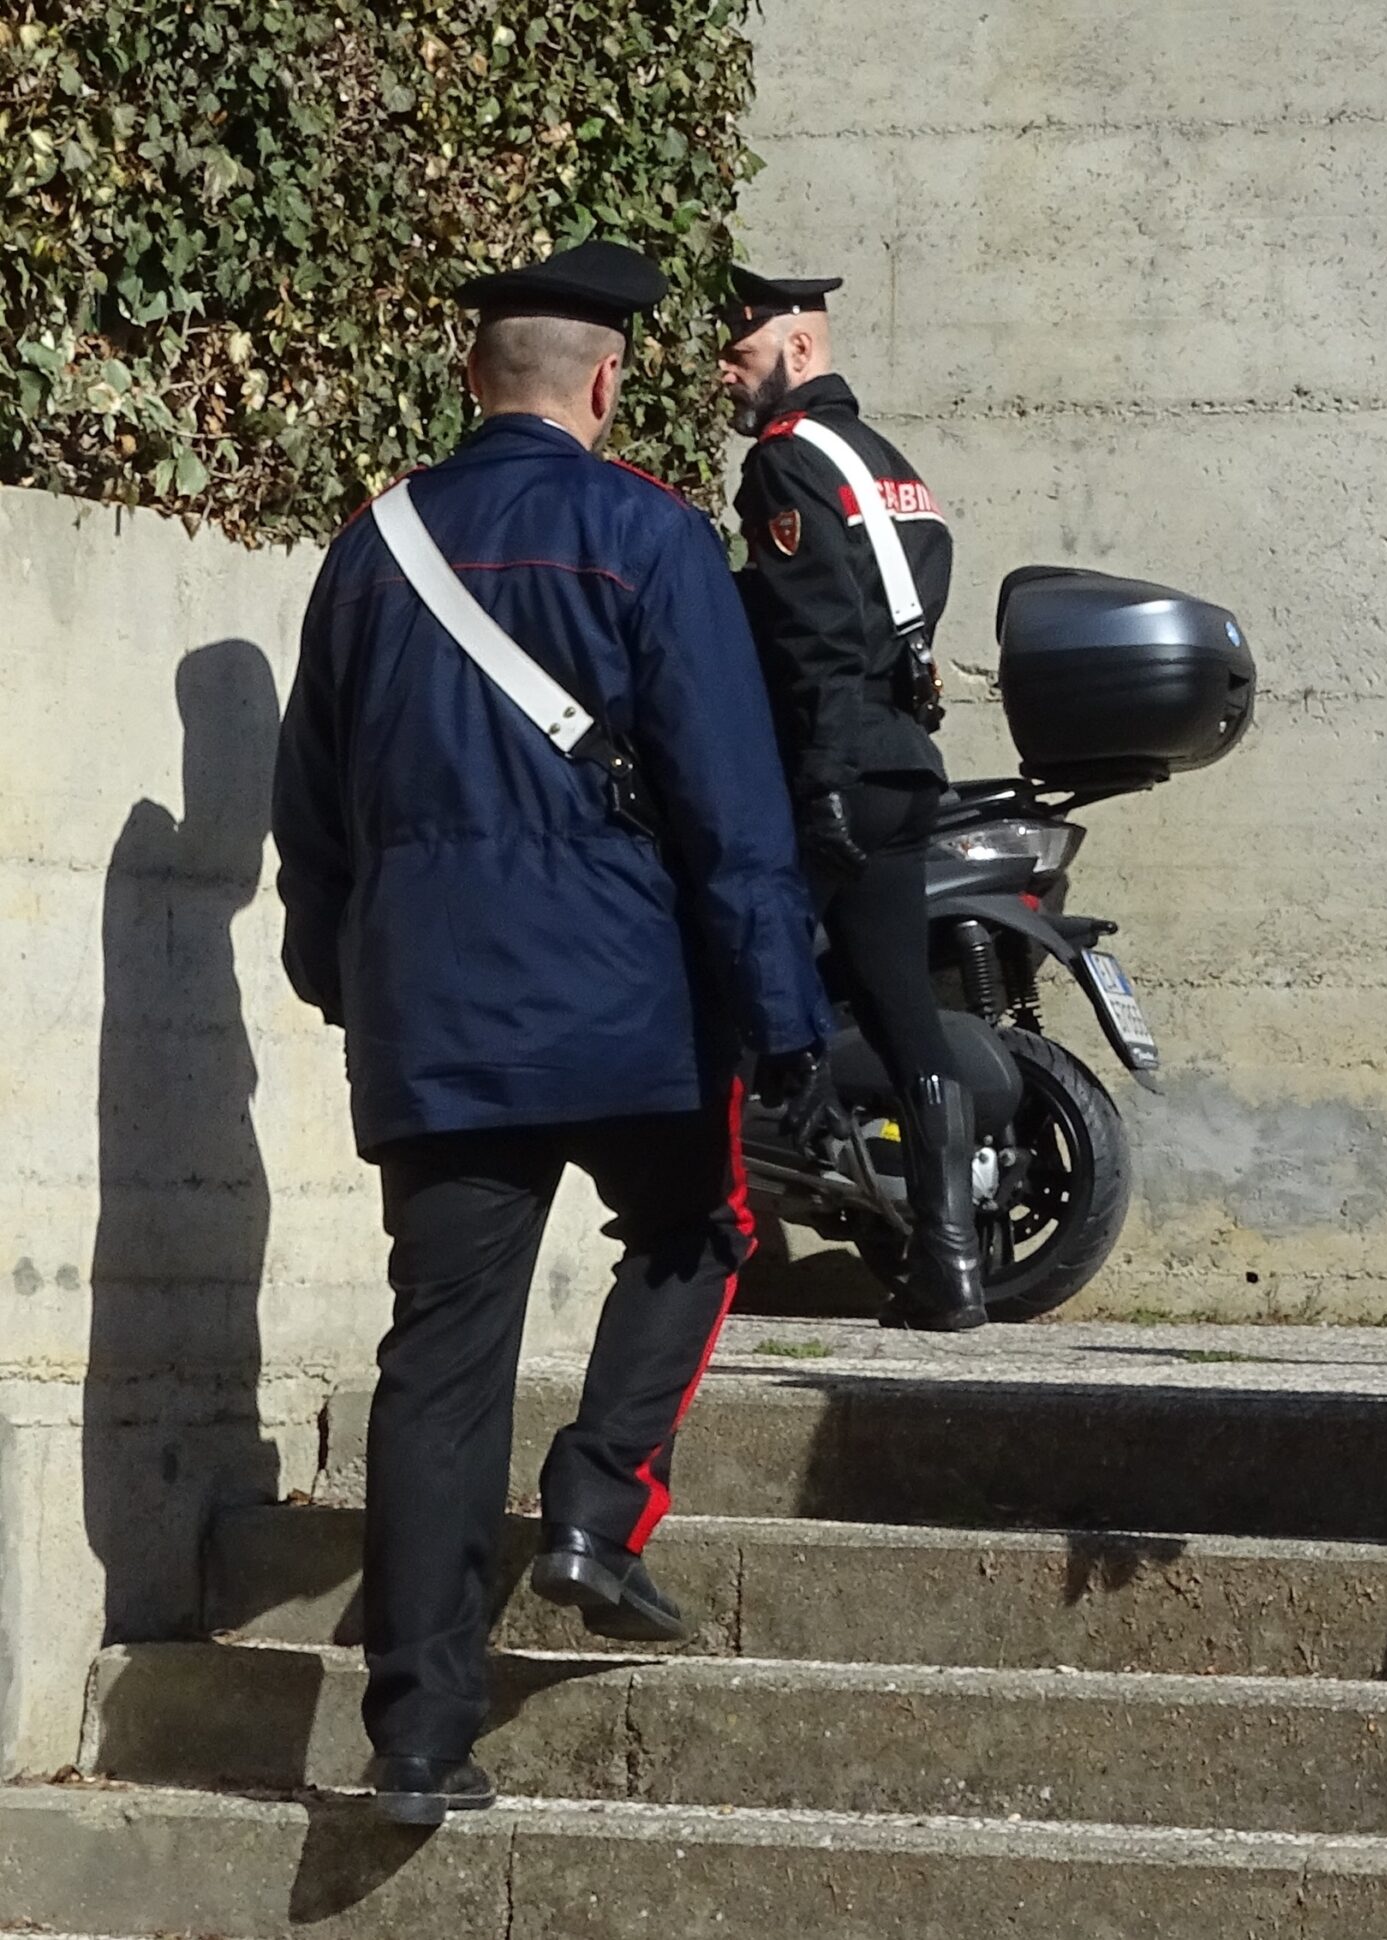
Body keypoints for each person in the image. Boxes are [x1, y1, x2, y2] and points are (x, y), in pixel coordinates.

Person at [272, 240, 838, 1824]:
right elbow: (733, 809)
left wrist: (349, 981)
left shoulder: (368, 551)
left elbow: (308, 819)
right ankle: (593, 1505)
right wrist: (781, 1016)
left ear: (471, 381)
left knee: (440, 1365)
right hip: (626, 1006)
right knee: (701, 1221)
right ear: (603, 383)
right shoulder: (649, 537)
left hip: (436, 1022)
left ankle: (415, 1741)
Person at [717, 267, 985, 1331]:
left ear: (798, 350)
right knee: (902, 1013)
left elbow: (817, 639)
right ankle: (952, 1264)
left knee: (734, 982)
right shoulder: (888, 466)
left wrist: (818, 781)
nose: (722, 375)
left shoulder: (784, 466)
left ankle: (700, 1235)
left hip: (833, 770)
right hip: (905, 763)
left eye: (739, 355)